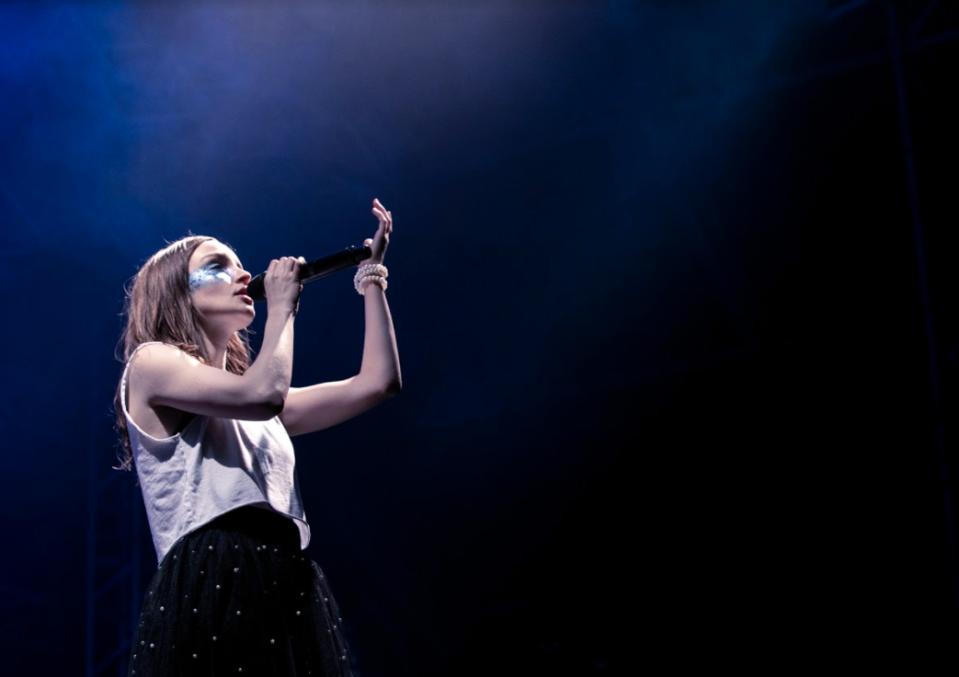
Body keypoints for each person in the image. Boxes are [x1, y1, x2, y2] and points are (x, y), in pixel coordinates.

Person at [112, 198, 401, 676]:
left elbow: (377, 383)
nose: (243, 275)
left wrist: (372, 276)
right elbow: (263, 391)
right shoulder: (150, 364)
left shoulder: (257, 407)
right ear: (175, 291)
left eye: (242, 265)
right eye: (217, 266)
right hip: (212, 570)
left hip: (285, 572)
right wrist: (283, 307)